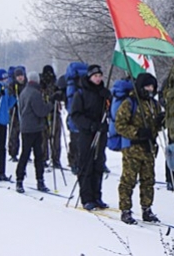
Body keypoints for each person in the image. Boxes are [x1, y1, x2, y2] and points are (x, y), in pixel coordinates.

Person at [115, 73, 164, 224]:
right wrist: (137, 133)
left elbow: (155, 126)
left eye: (152, 87)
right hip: (133, 148)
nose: (150, 89)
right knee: (128, 180)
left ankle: (147, 209)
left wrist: (160, 122)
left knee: (148, 180)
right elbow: (120, 125)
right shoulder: (130, 103)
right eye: (147, 86)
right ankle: (125, 210)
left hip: (149, 148)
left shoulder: (154, 104)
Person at [70, 65, 110, 210]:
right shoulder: (81, 93)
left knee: (98, 164)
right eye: (95, 76)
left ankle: (97, 196)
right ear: (89, 77)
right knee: (86, 165)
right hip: (87, 134)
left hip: (101, 133)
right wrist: (90, 125)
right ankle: (86, 197)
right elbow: (75, 115)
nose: (98, 79)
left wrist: (108, 100)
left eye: (100, 76)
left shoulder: (103, 92)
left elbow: (109, 112)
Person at [15, 72, 58, 193]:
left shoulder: (24, 92)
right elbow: (41, 111)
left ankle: (20, 180)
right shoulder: (35, 93)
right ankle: (39, 180)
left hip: (26, 127)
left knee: (25, 154)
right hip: (35, 128)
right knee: (38, 156)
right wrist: (51, 104)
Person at [40, 65, 63, 168]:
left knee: (56, 137)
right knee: (43, 137)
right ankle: (43, 158)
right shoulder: (40, 83)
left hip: (55, 113)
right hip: (43, 112)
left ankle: (56, 159)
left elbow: (62, 95)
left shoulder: (55, 83)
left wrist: (59, 95)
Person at [8, 67, 27, 162]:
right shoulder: (12, 85)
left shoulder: (27, 85)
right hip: (15, 112)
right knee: (14, 133)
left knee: (26, 134)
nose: (20, 78)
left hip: (25, 113)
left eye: (21, 76)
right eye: (18, 76)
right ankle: (13, 152)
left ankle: (26, 153)